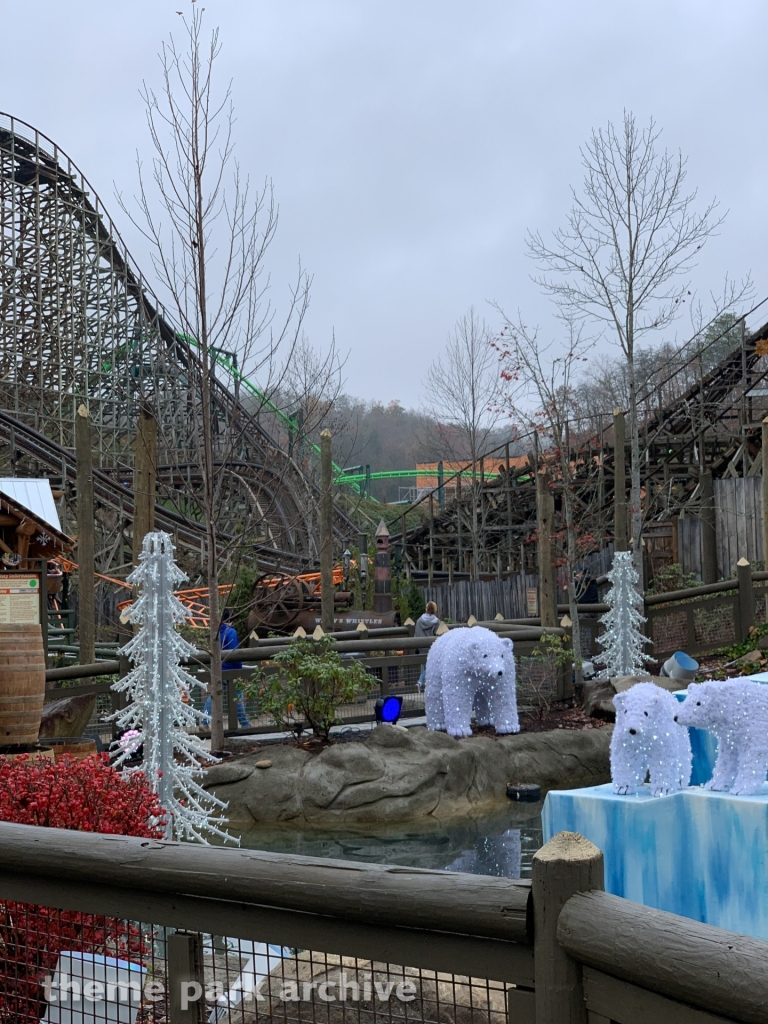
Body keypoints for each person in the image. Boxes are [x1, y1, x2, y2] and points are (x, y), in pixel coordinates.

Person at [202, 608, 251, 729]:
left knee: (213, 697)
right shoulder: (231, 632)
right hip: (231, 669)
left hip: (219, 668)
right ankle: (244, 723)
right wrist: (239, 667)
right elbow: (234, 653)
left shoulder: (217, 632)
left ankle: (204, 721)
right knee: (237, 696)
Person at [415, 601, 440, 690]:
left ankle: (422, 684)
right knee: (429, 669)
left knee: (425, 668)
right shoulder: (437, 622)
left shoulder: (419, 621)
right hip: (431, 649)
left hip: (421, 648)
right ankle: (420, 682)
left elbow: (416, 634)